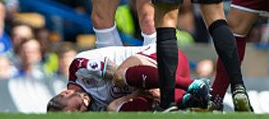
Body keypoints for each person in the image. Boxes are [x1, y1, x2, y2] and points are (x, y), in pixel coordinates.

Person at [46, 44, 206, 112]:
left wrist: (146, 90)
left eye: (76, 108)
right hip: (163, 89)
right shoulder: (93, 109)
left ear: (64, 94)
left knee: (118, 76)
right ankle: (183, 101)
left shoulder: (78, 68)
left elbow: (115, 70)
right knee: (113, 110)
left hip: (164, 61)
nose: (82, 110)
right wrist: (138, 95)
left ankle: (191, 85)